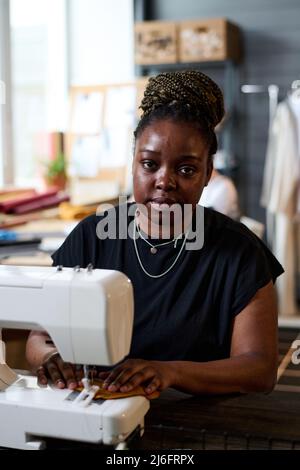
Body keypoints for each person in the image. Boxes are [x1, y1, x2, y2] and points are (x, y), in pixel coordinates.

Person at [26, 70, 283, 396]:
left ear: (207, 174)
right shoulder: (92, 237)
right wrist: (50, 358)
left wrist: (169, 372)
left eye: (186, 169)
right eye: (150, 165)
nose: (165, 181)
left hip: (197, 424)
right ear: (133, 163)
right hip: (101, 414)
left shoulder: (240, 253)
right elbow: (40, 339)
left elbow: (259, 369)